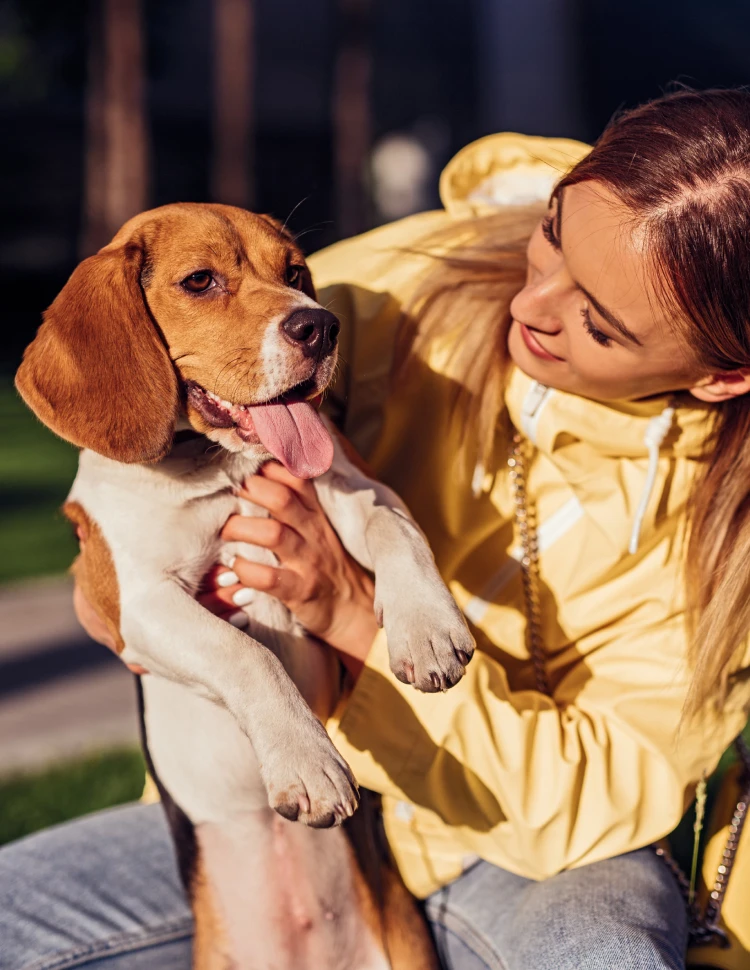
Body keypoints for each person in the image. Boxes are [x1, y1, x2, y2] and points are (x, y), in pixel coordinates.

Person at [3, 88, 750, 970]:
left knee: (600, 954)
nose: (531, 304)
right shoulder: (393, 277)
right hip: (270, 804)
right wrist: (111, 569)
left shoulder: (724, 531)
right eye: (549, 238)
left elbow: (615, 798)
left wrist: (354, 612)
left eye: (597, 322)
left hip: (520, 849)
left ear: (719, 377)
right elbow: (162, 366)